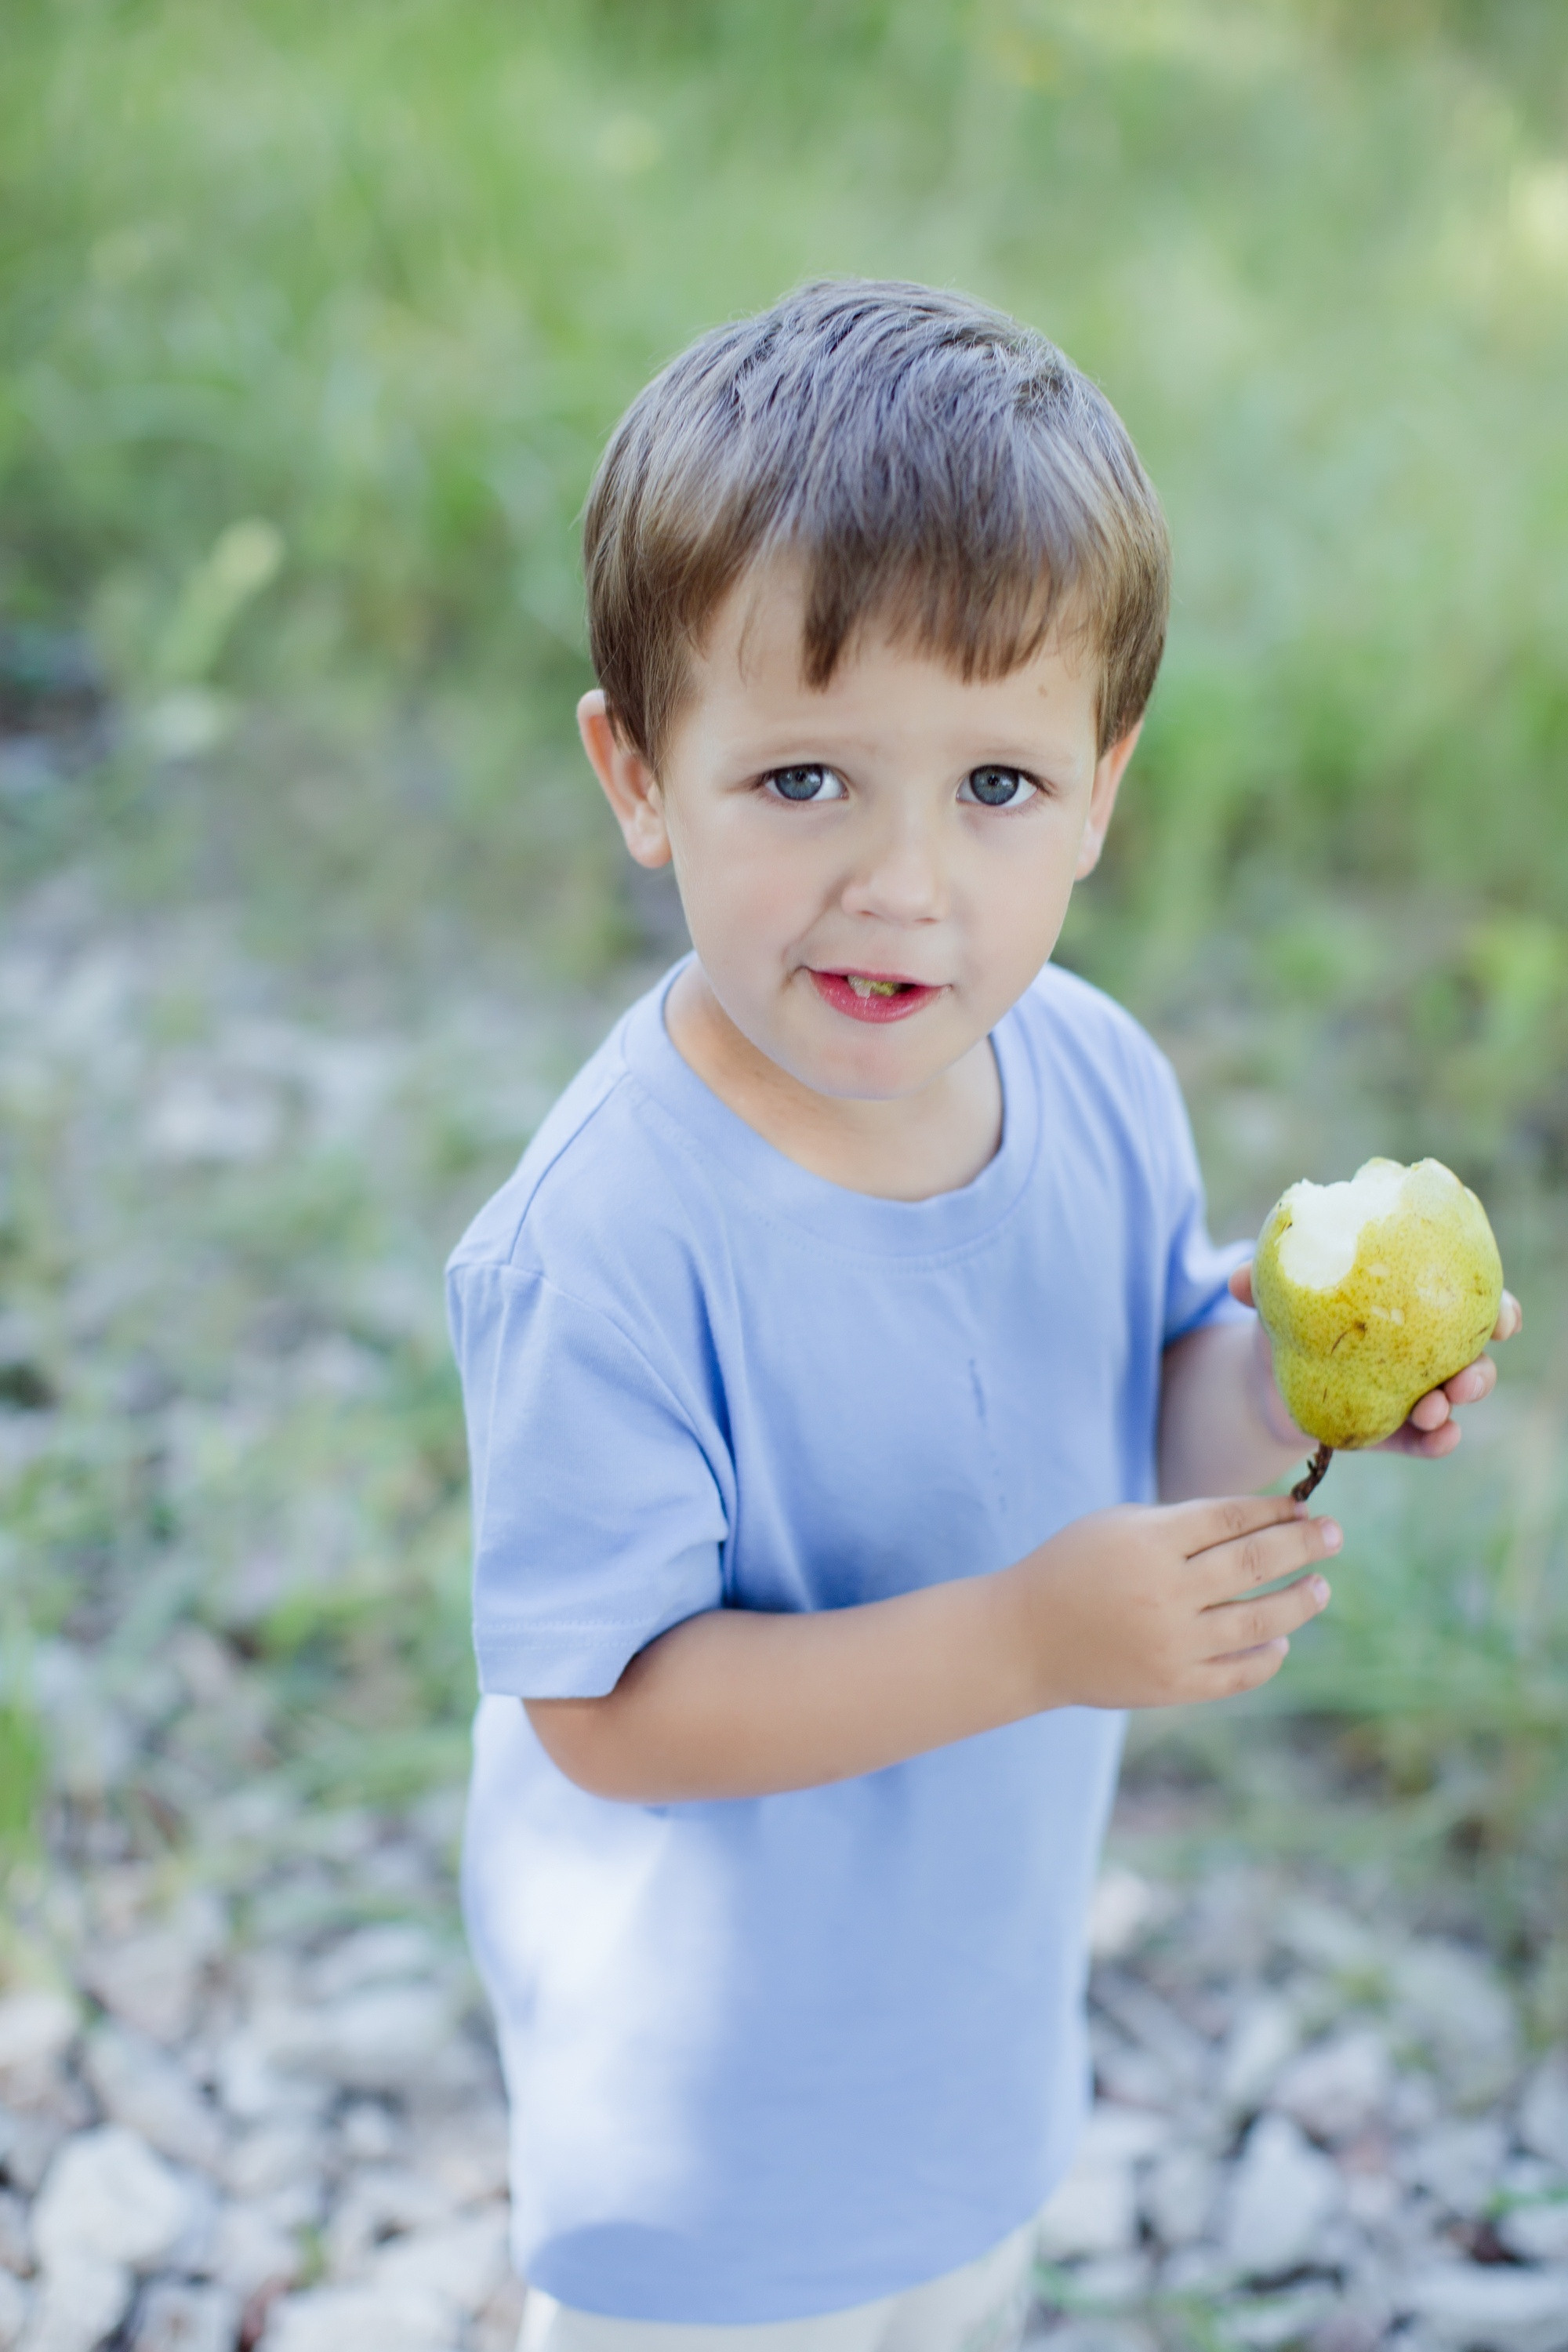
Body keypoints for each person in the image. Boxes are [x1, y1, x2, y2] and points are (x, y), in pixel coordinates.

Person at [447, 280, 1519, 2351]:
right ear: (640, 771)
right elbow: (609, 1712)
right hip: (720, 2149)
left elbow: (1150, 1392)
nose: (905, 883)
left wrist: (1305, 1387)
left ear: (1105, 789)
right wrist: (1033, 1638)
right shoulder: (611, 1236)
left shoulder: (1096, 1076)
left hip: (964, 2077)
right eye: (803, 781)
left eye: (997, 789)